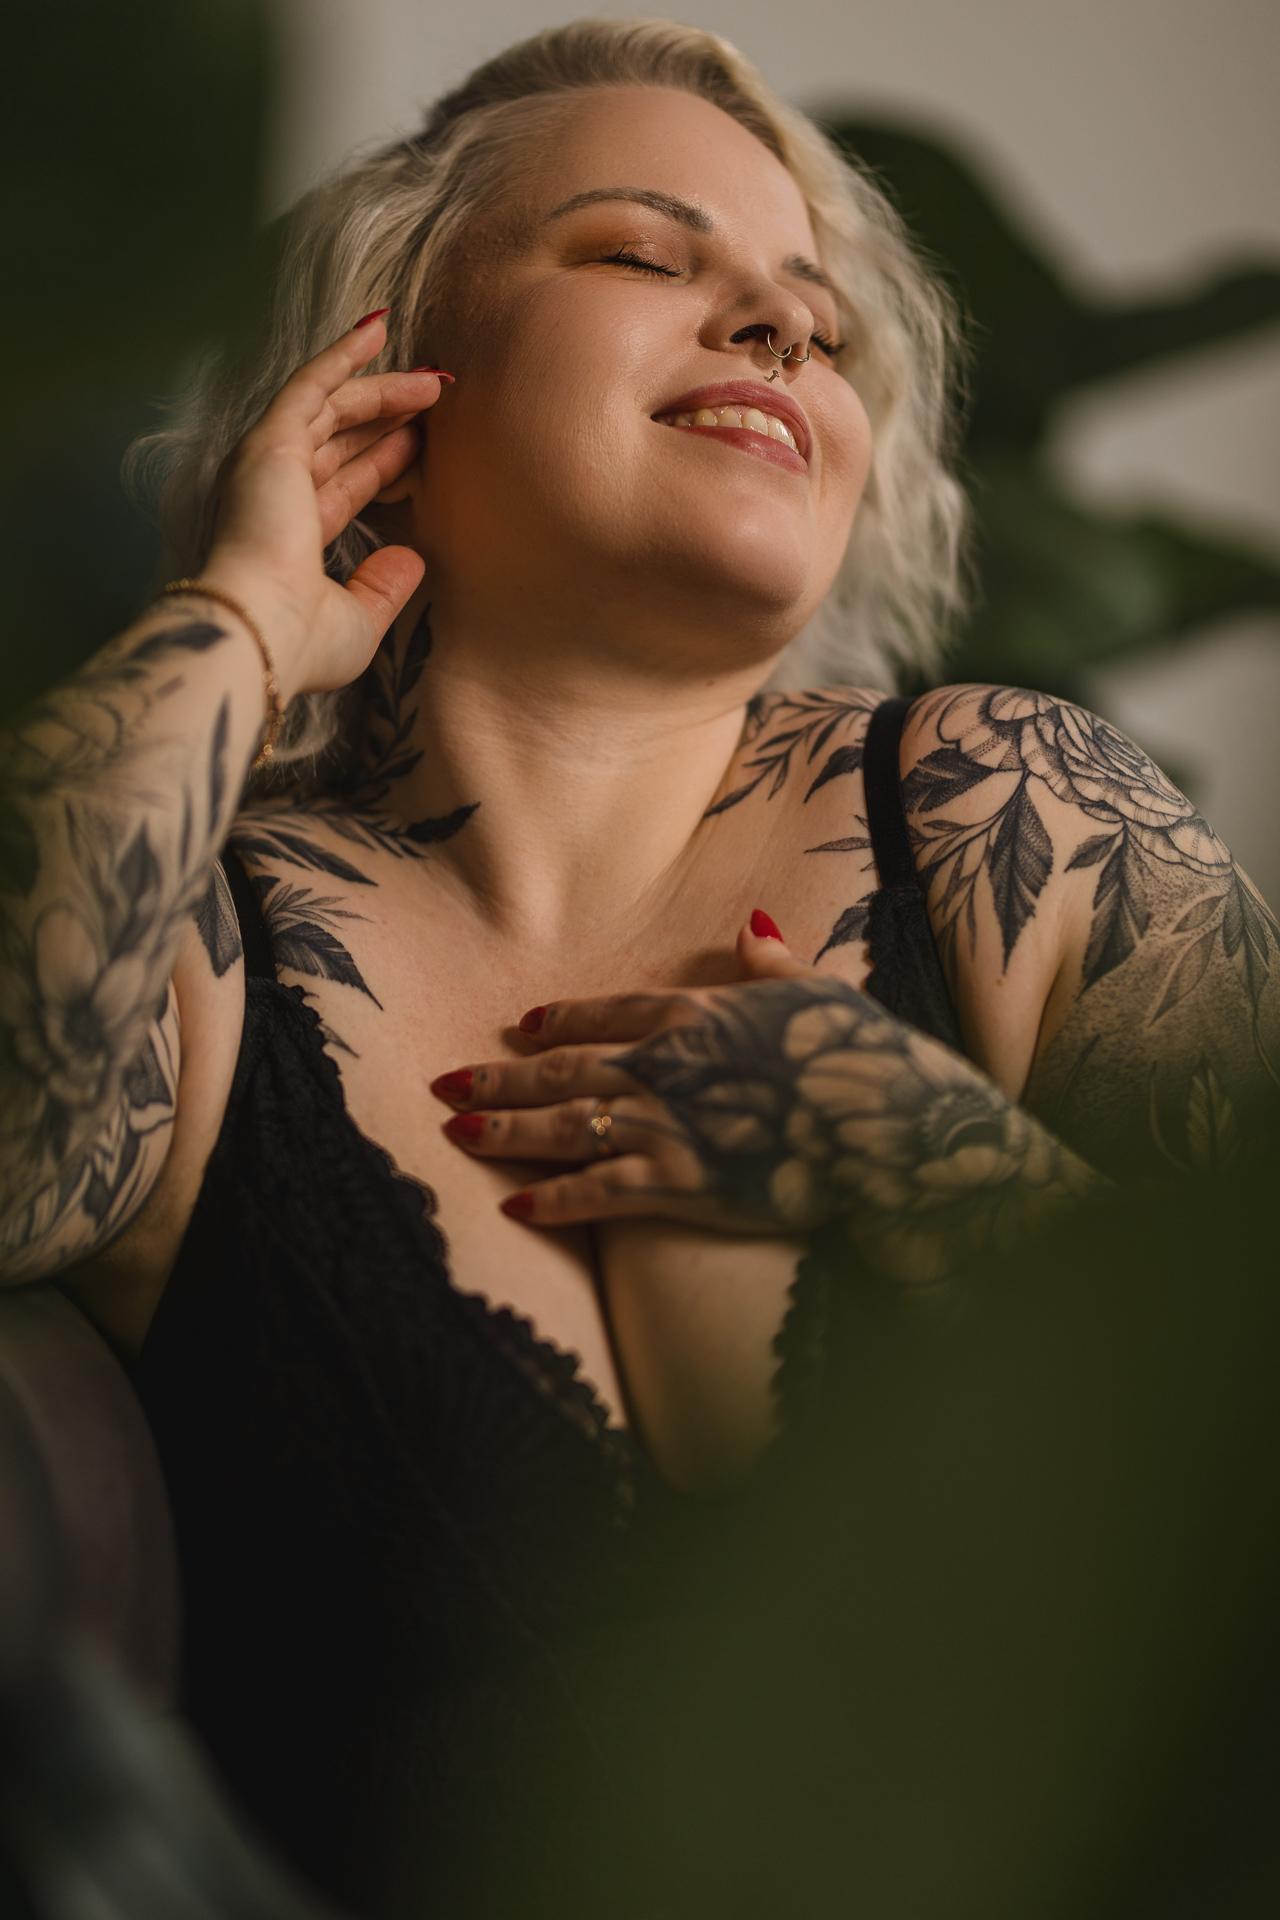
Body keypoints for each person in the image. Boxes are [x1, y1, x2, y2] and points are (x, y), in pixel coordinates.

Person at [2, 14, 1276, 1913]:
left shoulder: (1012, 818)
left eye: (817, 323)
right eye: (639, 253)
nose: (776, 329)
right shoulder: (204, 937)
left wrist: (935, 1159)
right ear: (385, 384)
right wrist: (246, 616)